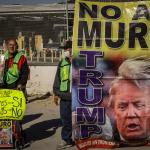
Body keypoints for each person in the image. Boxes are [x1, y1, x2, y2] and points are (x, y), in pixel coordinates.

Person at [109, 58, 150, 145]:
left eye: (139, 105)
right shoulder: (104, 137)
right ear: (113, 111)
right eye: (122, 106)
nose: (131, 114)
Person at [53, 40, 74, 149]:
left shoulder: (81, 61)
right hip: (65, 96)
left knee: (80, 119)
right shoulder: (62, 63)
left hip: (77, 96)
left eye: (67, 48)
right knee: (65, 119)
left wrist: (74, 62)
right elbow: (58, 79)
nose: (65, 51)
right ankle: (67, 140)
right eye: (65, 49)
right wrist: (56, 93)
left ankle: (84, 140)